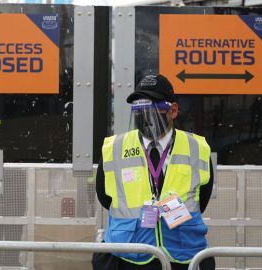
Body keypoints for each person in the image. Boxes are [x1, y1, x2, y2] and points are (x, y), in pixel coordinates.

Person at [92, 74, 215, 270]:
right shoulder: (114, 148)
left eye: (151, 109)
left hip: (183, 257)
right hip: (126, 257)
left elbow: (201, 200)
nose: (144, 116)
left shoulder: (197, 149)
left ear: (173, 110)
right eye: (139, 110)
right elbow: (105, 198)